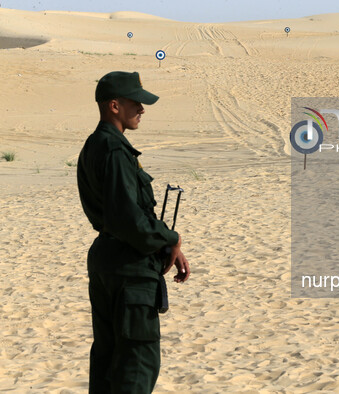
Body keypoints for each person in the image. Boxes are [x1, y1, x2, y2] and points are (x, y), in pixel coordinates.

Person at [77, 71, 190, 393]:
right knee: (136, 363)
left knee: (108, 360)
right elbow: (129, 219)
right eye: (135, 103)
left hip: (108, 259)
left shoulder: (95, 145)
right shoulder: (114, 150)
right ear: (114, 105)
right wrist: (171, 239)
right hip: (129, 268)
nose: (142, 109)